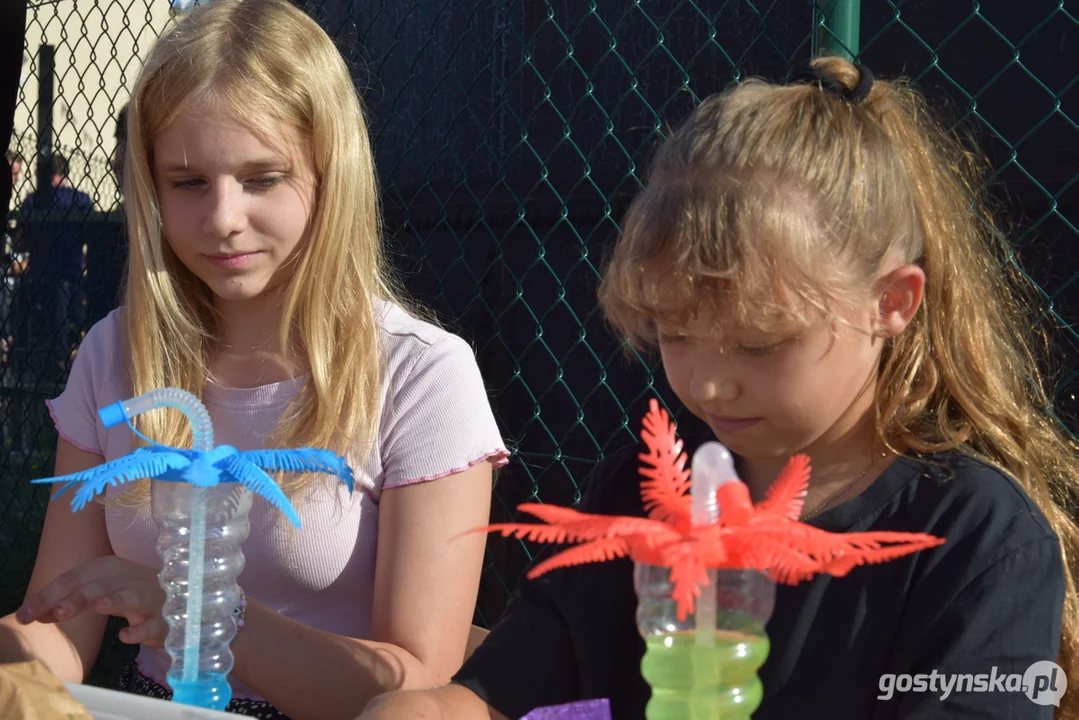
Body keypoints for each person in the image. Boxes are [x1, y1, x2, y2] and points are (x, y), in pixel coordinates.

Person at [359, 58, 1078, 719]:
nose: (705, 381)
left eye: (759, 342)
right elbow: (493, 691)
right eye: (672, 332)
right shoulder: (644, 495)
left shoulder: (977, 539)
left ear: (891, 302)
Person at [0, 1, 509, 718]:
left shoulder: (421, 375)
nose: (222, 217)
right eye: (187, 182)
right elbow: (57, 630)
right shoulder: (114, 352)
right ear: (149, 189)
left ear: (331, 173)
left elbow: (418, 682)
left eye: (263, 178)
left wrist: (201, 614)